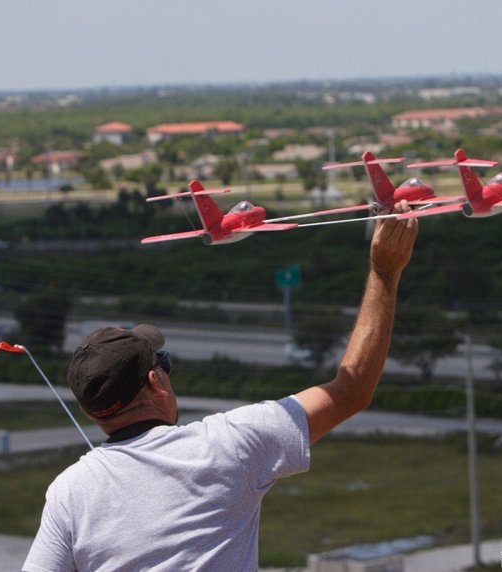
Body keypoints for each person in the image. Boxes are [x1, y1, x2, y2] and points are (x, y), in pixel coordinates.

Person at [22, 201, 418, 572]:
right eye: (165, 365)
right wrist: (385, 273)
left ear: (91, 412)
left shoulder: (68, 493)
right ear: (156, 382)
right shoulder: (230, 444)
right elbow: (351, 390)